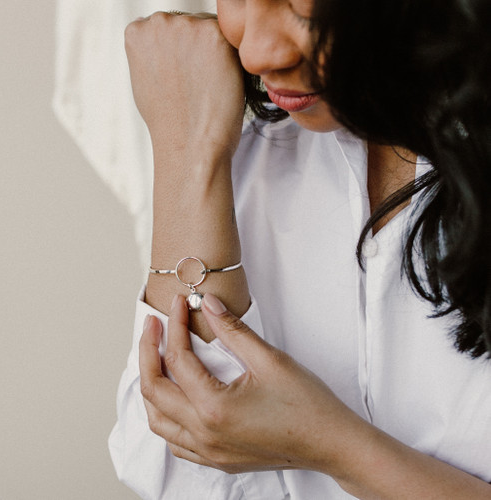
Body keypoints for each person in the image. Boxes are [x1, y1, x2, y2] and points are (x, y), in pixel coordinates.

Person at [109, 1, 491, 498]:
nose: (254, 51)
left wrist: (333, 447)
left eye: (302, 6)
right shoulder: (246, 156)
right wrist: (189, 155)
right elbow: (174, 471)